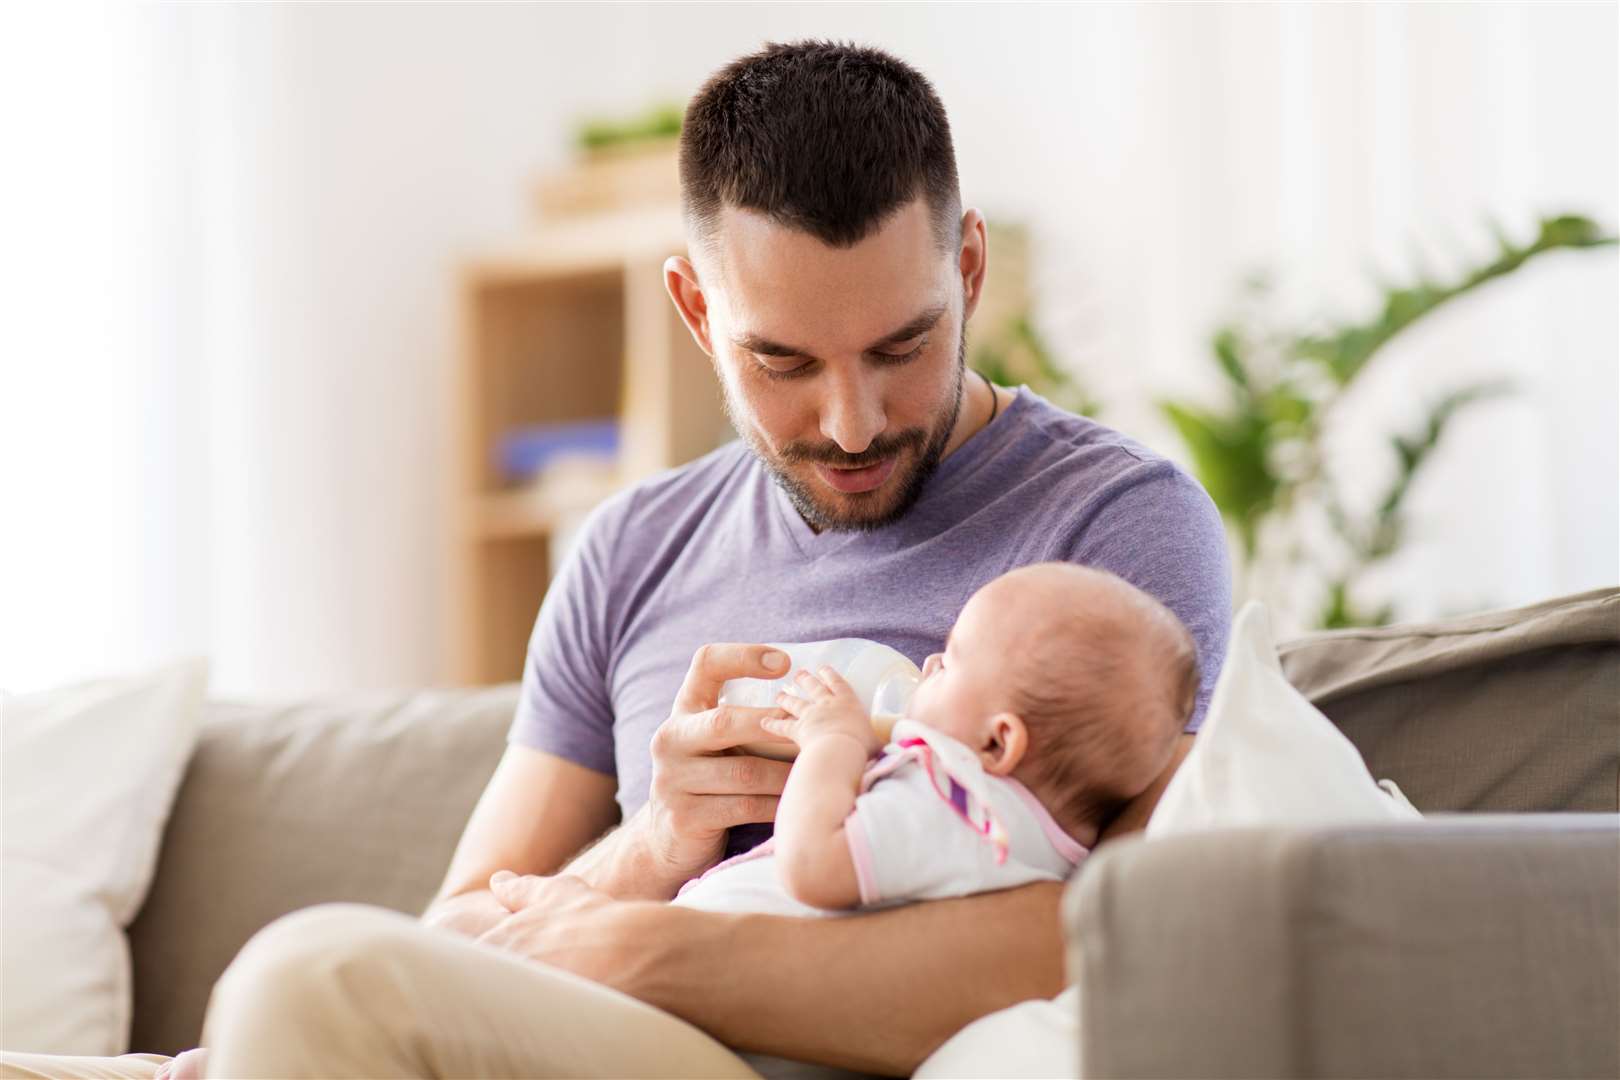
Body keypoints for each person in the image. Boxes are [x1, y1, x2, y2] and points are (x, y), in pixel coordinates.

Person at [0, 39, 1230, 1080]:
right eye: (784, 363)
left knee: (309, 971)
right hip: (579, 1036)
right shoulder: (631, 549)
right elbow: (459, 932)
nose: (853, 422)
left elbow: (1134, 940)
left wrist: (645, 949)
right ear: (697, 314)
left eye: (902, 346)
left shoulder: (1113, 532)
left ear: (965, 270)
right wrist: (657, 851)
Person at [675, 563, 1197, 917]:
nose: (926, 664)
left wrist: (832, 743)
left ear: (997, 745)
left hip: (707, 990)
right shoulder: (1012, 838)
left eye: (950, 662)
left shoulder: (959, 806)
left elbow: (813, 867)